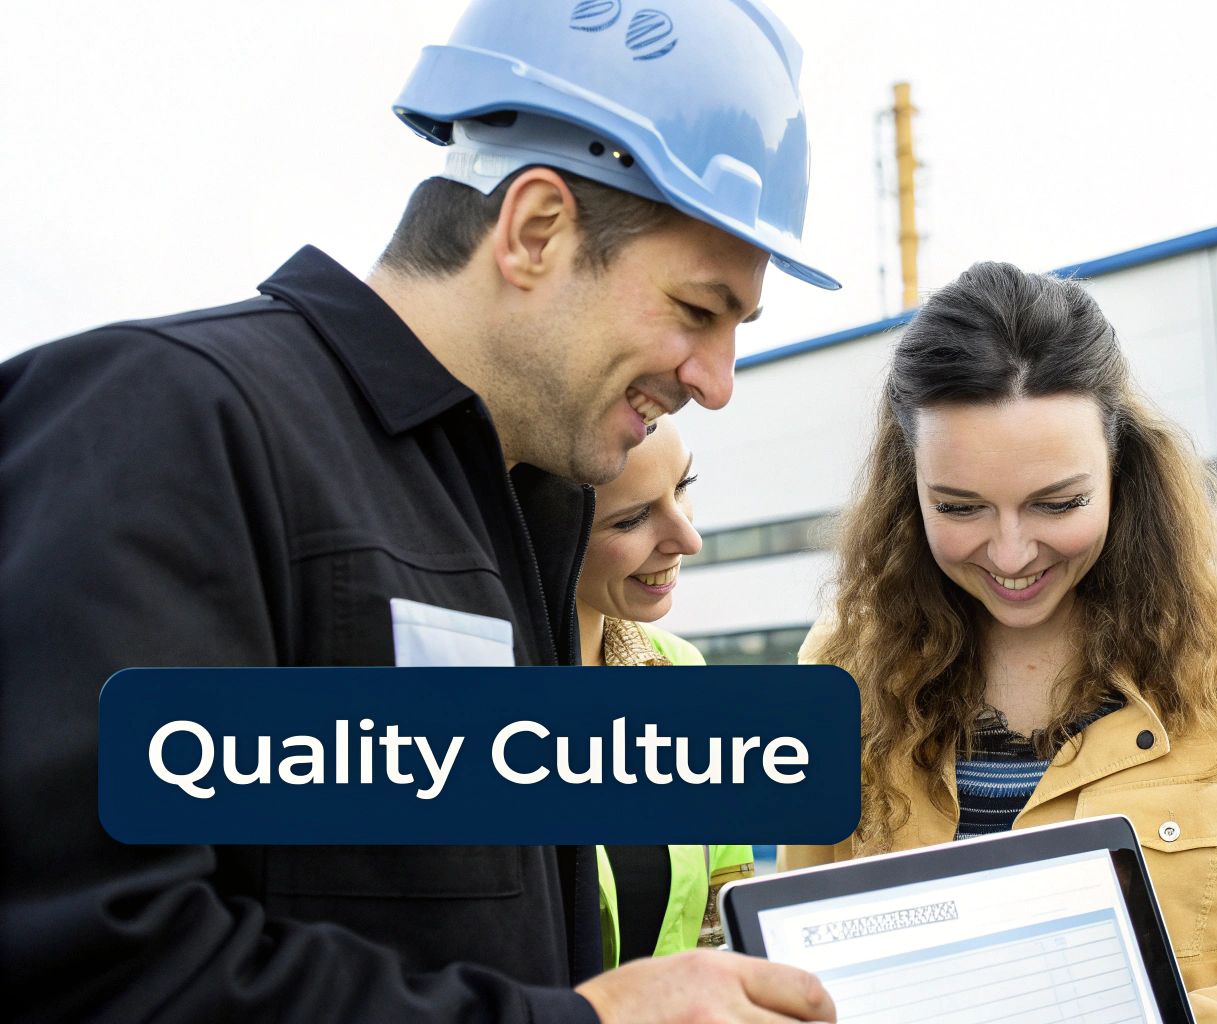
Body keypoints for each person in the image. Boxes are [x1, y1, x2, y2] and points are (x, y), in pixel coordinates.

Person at [0, 1, 841, 1021]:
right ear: (534, 230)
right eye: (698, 312)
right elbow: (86, 955)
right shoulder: (170, 420)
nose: (715, 381)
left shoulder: (517, 510)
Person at [780, 262, 1217, 1022]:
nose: (1010, 555)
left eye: (1058, 503)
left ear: (1121, 468)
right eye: (961, 507)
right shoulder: (843, 662)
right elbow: (795, 952)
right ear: (909, 487)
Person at [577, 415, 755, 966]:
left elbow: (724, 915)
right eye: (631, 519)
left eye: (684, 487)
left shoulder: (680, 670)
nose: (689, 539)